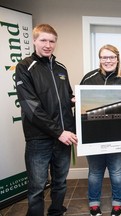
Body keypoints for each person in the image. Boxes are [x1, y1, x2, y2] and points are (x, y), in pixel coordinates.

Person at [15, 24, 78, 216]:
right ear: (34, 40)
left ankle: (56, 211)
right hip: (39, 139)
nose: (48, 45)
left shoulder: (61, 68)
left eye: (52, 41)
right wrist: (58, 132)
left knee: (60, 182)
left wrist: (77, 100)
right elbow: (31, 108)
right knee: (37, 187)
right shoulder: (25, 67)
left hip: (64, 138)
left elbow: (66, 97)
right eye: (43, 40)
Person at [80, 44, 121, 216]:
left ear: (117, 59)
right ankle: (94, 202)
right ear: (100, 59)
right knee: (95, 171)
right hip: (93, 135)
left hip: (120, 136)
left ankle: (117, 202)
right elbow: (81, 107)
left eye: (111, 57)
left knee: (117, 171)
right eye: (104, 57)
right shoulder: (88, 78)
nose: (108, 61)